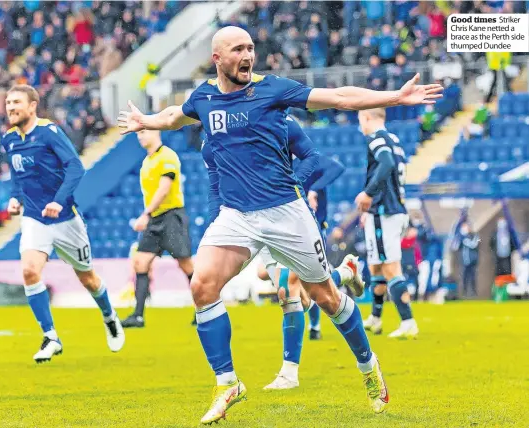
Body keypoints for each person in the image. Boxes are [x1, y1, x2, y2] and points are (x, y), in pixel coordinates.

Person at [117, 26, 442, 424]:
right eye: (238, 49)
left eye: (251, 47)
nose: (247, 55)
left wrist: (394, 97)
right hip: (236, 216)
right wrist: (146, 120)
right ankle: (227, 382)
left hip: (286, 213)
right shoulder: (204, 96)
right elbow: (174, 116)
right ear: (217, 57)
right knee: (202, 285)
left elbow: (339, 98)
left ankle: (368, 365)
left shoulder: (272, 89)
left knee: (326, 298)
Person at [206, 115, 348, 391]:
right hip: (265, 221)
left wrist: (311, 187)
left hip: (300, 222)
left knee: (289, 289)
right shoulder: (239, 152)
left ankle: (290, 371)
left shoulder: (294, 149)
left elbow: (330, 165)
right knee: (296, 290)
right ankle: (344, 274)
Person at [2, 84, 124, 363]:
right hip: (34, 218)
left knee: (88, 278)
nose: (11, 107)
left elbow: (75, 167)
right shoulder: (9, 139)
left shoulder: (49, 132)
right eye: (8, 103)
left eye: (16, 102)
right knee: (30, 271)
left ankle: (109, 315)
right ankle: (51, 337)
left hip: (66, 219)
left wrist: (58, 200)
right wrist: (14, 198)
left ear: (32, 106)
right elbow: (17, 175)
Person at [121, 129, 195, 328]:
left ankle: (204, 308)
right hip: (155, 219)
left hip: (171, 216)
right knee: (140, 262)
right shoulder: (147, 161)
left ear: (156, 132)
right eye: (138, 134)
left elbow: (165, 188)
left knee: (186, 264)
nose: (140, 136)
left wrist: (145, 214)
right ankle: (138, 316)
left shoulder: (168, 156)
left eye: (144, 132)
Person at [357, 108, 419, 339]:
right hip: (390, 209)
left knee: (390, 266)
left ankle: (408, 321)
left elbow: (386, 164)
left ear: (367, 117)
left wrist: (368, 194)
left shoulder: (376, 138)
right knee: (376, 266)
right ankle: (375, 317)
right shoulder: (393, 139)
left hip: (386, 212)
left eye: (360, 119)